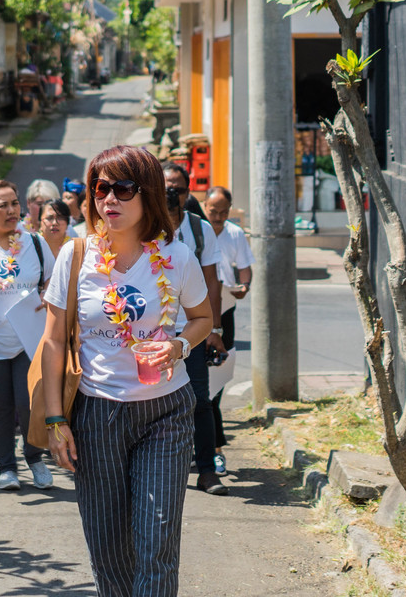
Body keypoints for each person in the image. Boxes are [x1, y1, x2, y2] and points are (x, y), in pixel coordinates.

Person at [41, 145, 213, 597]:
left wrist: (178, 345)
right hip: (96, 415)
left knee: (157, 542)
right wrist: (56, 420)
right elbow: (54, 339)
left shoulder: (176, 259)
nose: (108, 199)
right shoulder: (75, 257)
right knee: (109, 549)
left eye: (123, 188)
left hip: (165, 413)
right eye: (100, 188)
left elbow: (203, 318)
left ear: (148, 194)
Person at [0, 180, 56, 491]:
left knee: (29, 401)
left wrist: (48, 297)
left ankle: (34, 456)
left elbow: (54, 283)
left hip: (27, 340)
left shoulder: (36, 244)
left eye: (15, 203)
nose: (12, 210)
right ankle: (6, 467)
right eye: (2, 205)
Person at [162, 162, 228, 495]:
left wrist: (213, 327)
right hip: (150, 335)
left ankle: (206, 471)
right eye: (164, 188)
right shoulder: (138, 230)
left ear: (188, 195)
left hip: (192, 330)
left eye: (177, 189)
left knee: (200, 401)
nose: (171, 194)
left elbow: (213, 282)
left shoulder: (199, 230)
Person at [203, 185, 254, 472]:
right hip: (196, 316)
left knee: (216, 385)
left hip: (225, 313)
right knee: (198, 390)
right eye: (213, 212)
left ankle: (214, 451)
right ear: (204, 207)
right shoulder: (196, 230)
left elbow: (245, 267)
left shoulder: (234, 233)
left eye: (223, 213)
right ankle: (209, 450)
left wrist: (244, 286)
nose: (218, 218)